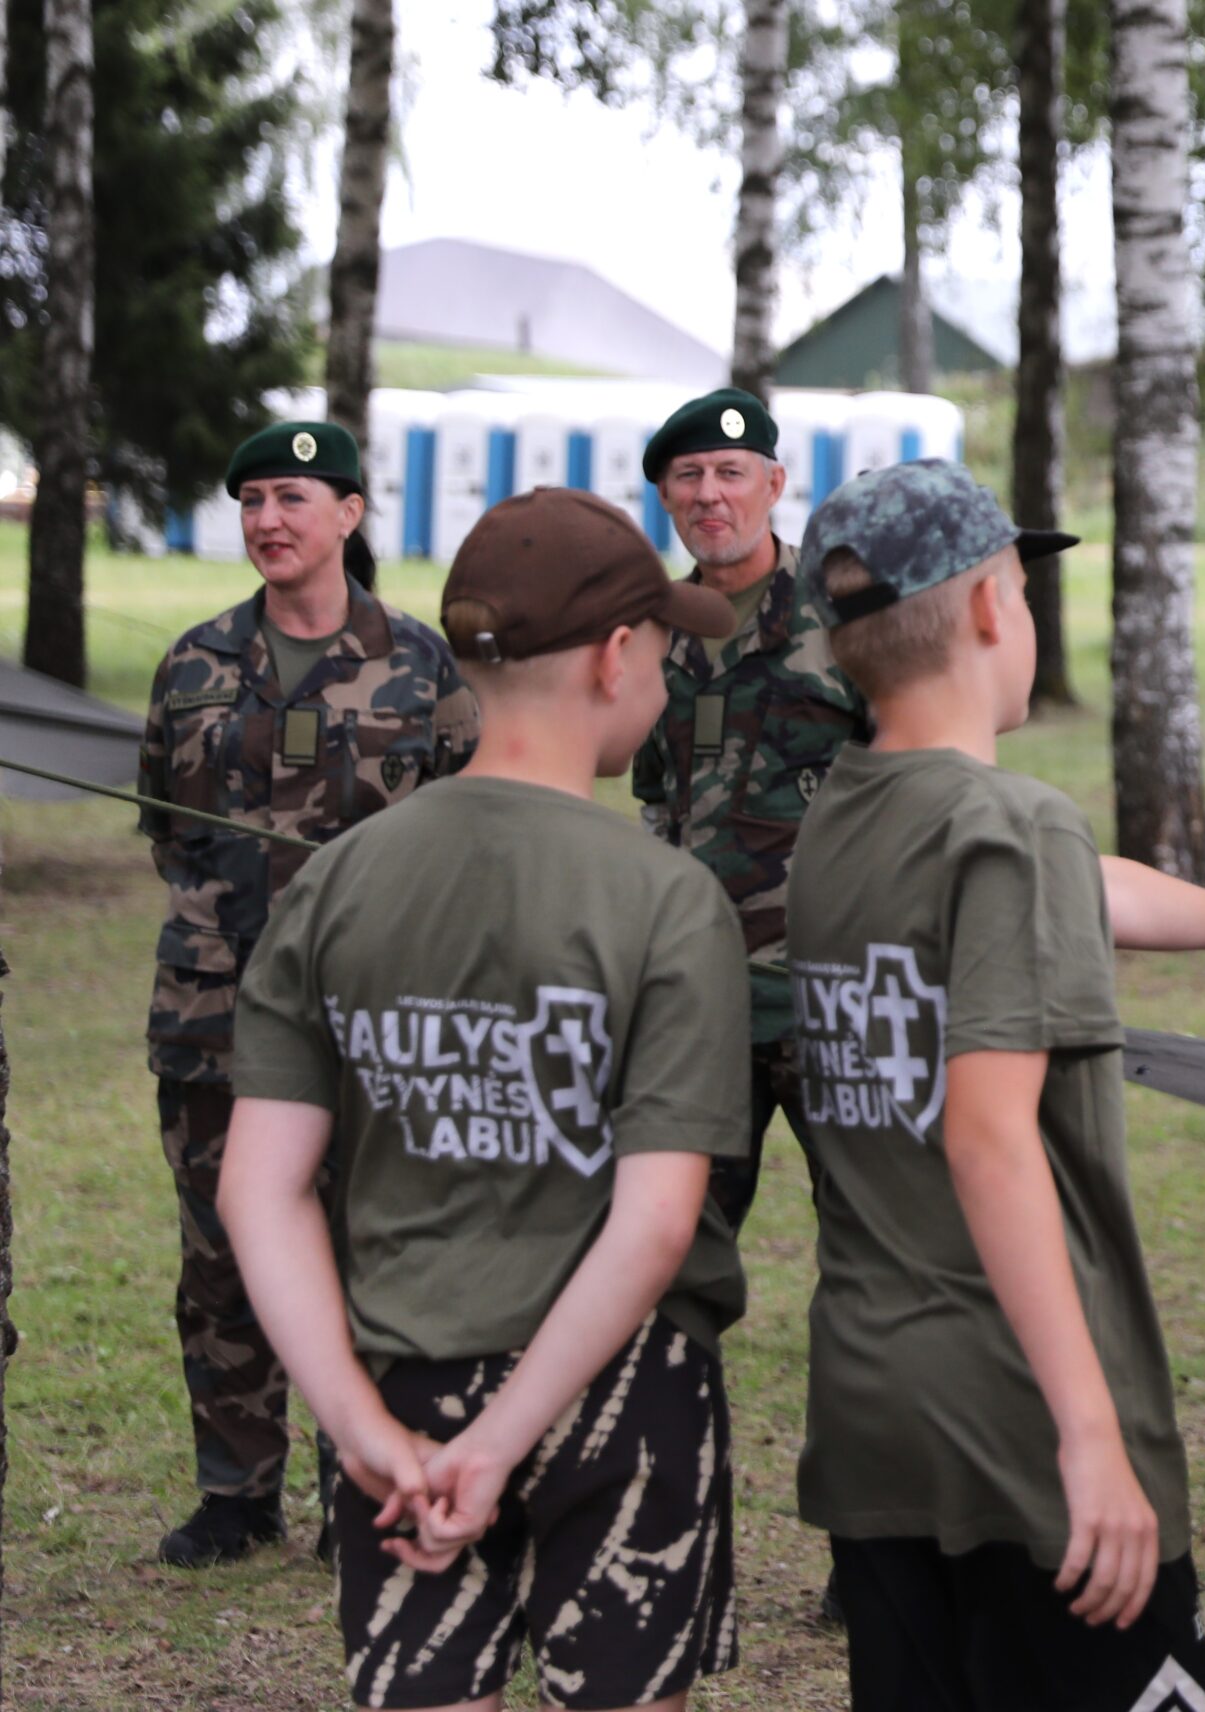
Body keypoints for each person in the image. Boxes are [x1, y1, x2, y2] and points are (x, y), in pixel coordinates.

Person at [786, 461, 1205, 1710]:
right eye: (1017, 576)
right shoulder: (1008, 827)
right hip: (1020, 1427)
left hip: (878, 1413)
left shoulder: (842, 817)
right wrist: (1086, 1437)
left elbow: (1070, 874)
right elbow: (990, 1137)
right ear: (988, 611)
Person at [220, 486, 751, 1712]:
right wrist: (507, 1438)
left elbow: (259, 1185)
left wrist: (357, 1426)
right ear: (619, 655)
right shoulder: (669, 898)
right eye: (664, 647)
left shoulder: (336, 880)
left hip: (399, 1389)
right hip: (623, 1390)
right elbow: (658, 1220)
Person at [136, 418, 478, 1568]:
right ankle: (236, 1490)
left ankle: (363, 1477)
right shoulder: (191, 661)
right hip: (211, 1011)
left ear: (348, 512)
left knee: (370, 1245)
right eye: (252, 501)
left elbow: (466, 831)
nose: (269, 520)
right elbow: (163, 824)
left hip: (369, 1013)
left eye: (292, 496)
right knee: (223, 1248)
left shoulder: (423, 664)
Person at [631, 387, 868, 1232]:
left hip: (835, 999)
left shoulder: (848, 614)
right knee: (671, 1247)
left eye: (731, 472)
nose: (709, 495)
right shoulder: (646, 634)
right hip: (697, 1006)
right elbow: (654, 804)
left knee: (873, 1246)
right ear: (663, 497)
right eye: (688, 476)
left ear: (775, 483)